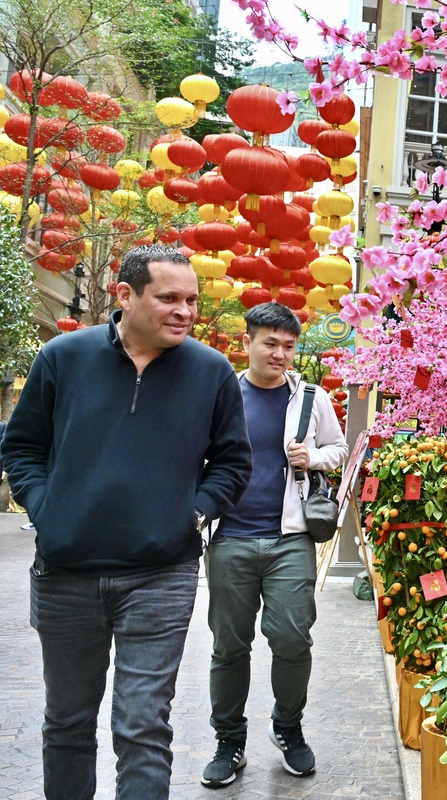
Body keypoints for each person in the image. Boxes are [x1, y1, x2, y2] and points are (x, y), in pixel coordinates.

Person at [1, 244, 253, 799]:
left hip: (162, 574)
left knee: (142, 724)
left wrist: (193, 512)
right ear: (125, 296)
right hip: (66, 573)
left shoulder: (211, 371)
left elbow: (233, 462)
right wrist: (48, 511)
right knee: (67, 722)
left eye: (191, 299)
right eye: (168, 298)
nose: (184, 310)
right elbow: (21, 447)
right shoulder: (63, 357)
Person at [202, 302, 348, 787]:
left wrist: (315, 456)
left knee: (291, 639)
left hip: (291, 540)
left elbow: (341, 448)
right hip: (231, 539)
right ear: (246, 343)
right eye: (270, 343)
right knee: (229, 647)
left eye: (288, 345)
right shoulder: (221, 395)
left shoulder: (310, 397)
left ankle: (288, 727)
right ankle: (229, 740)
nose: (280, 353)